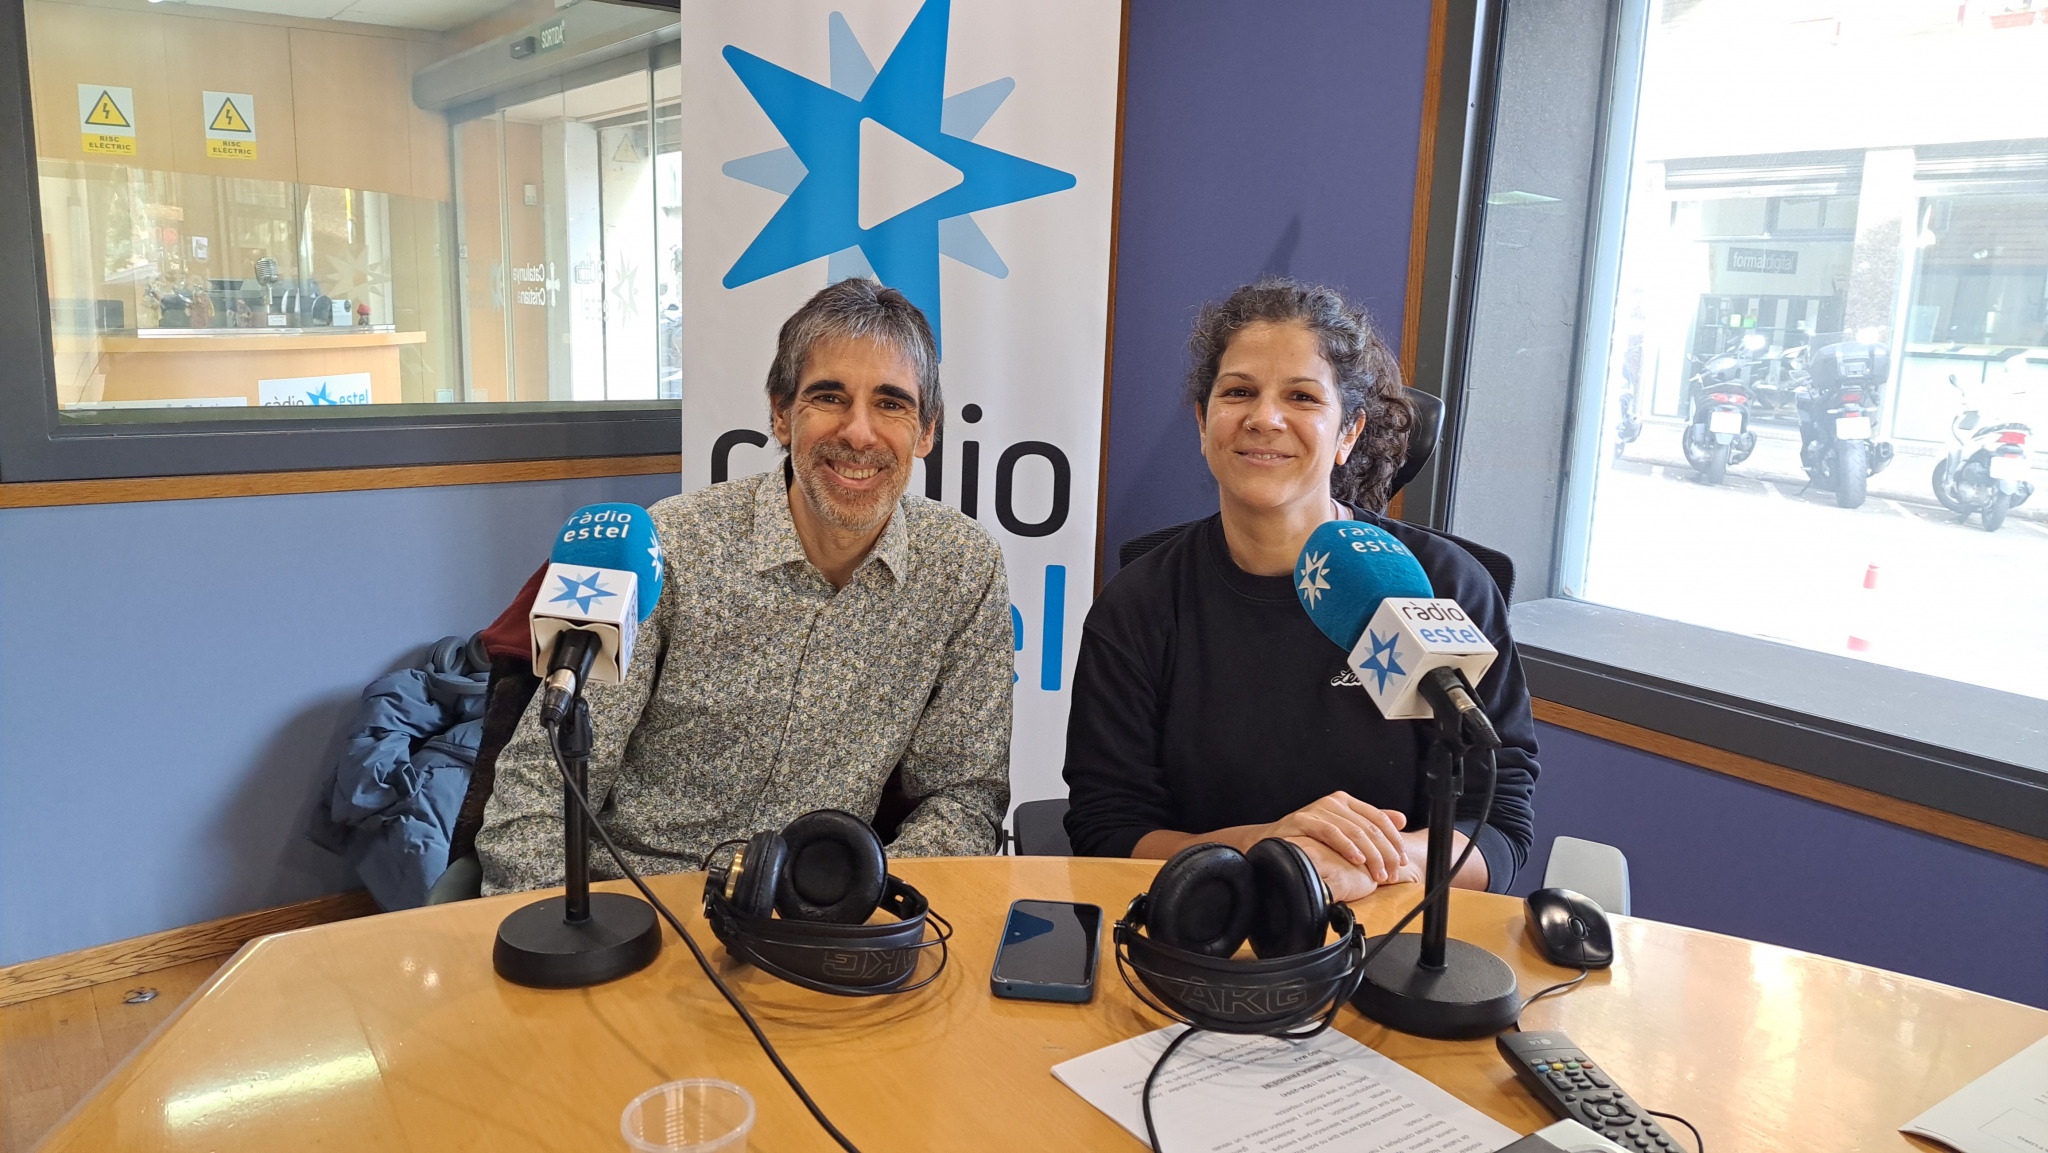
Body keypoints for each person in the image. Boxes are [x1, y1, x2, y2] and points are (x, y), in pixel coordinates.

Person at [479, 279, 1014, 894]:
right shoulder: (668, 545)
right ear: (781, 415)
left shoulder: (963, 569)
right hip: (636, 902)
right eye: (829, 397)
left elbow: (964, 798)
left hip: (818, 912)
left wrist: (862, 904)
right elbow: (541, 791)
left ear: (926, 432)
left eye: (891, 404)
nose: (859, 433)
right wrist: (556, 926)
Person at [1062, 279, 1538, 900]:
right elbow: (1108, 829)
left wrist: (1366, 864)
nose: (1265, 418)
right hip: (1208, 919)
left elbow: (1497, 820)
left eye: (1302, 397)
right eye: (1239, 392)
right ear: (1203, 423)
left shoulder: (1440, 585)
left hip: (1389, 924)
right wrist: (1267, 849)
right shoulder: (1140, 605)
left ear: (1348, 433)